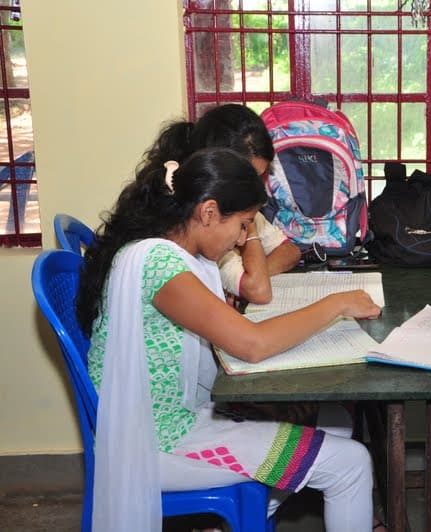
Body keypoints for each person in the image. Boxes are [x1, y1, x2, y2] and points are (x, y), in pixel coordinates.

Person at [77, 142, 384, 531]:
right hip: (158, 441)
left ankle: (247, 515)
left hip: (167, 422)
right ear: (208, 212)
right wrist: (336, 304)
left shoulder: (169, 251)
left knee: (334, 419)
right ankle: (247, 512)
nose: (242, 239)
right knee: (351, 462)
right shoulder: (161, 265)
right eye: (242, 224)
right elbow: (251, 345)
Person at [192, 103, 302, 304]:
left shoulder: (232, 209)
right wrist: (249, 228)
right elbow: (257, 289)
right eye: (249, 178)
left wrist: (257, 271)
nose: (256, 188)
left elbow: (290, 252)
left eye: (260, 177)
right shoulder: (206, 223)